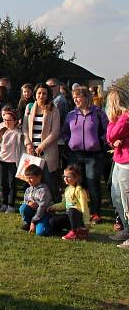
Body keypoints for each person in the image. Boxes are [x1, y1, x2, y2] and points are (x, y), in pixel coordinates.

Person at [61, 86, 108, 223]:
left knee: (93, 183)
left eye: (78, 96)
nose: (75, 99)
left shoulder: (99, 113)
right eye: (74, 97)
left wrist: (99, 141)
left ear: (87, 97)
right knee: (75, 183)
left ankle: (96, 213)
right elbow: (64, 132)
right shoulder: (71, 115)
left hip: (94, 155)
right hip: (74, 154)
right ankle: (76, 211)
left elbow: (107, 131)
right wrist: (68, 141)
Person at [23, 83, 61, 201]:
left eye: (44, 93)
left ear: (48, 95)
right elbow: (24, 128)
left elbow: (55, 132)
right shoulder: (29, 108)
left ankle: (55, 204)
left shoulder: (53, 109)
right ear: (35, 94)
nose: (41, 95)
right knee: (32, 180)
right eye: (39, 93)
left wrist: (41, 146)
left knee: (49, 180)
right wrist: (28, 144)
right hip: (32, 151)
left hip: (47, 151)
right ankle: (35, 203)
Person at [106, 86, 129, 245]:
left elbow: (111, 134)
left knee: (126, 200)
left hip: (127, 163)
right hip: (119, 160)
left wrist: (115, 140)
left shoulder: (126, 118)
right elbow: (109, 139)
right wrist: (114, 142)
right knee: (116, 197)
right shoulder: (118, 119)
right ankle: (126, 229)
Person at [47, 165, 90, 240]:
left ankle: (76, 232)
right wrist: (53, 207)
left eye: (69, 177)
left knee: (72, 210)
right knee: (52, 221)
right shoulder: (67, 189)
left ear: (76, 178)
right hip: (69, 215)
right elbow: (64, 204)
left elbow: (84, 206)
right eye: (64, 176)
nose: (65, 178)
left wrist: (86, 222)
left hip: (78, 217)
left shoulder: (80, 190)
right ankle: (68, 231)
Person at [0, 109, 23, 212]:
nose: (7, 122)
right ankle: (4, 203)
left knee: (12, 183)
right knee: (2, 183)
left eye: (9, 120)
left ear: (15, 121)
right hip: (2, 160)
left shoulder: (18, 133)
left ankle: (11, 205)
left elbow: (21, 147)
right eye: (5, 120)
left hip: (12, 161)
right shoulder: (1, 130)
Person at [19, 164, 54, 236]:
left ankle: (47, 225)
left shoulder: (44, 190)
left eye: (31, 178)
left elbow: (42, 207)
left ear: (39, 177)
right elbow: (25, 201)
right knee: (23, 207)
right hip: (33, 213)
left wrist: (33, 221)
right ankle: (28, 223)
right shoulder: (28, 189)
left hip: (44, 214)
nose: (29, 180)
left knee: (40, 232)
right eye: (27, 178)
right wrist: (29, 204)